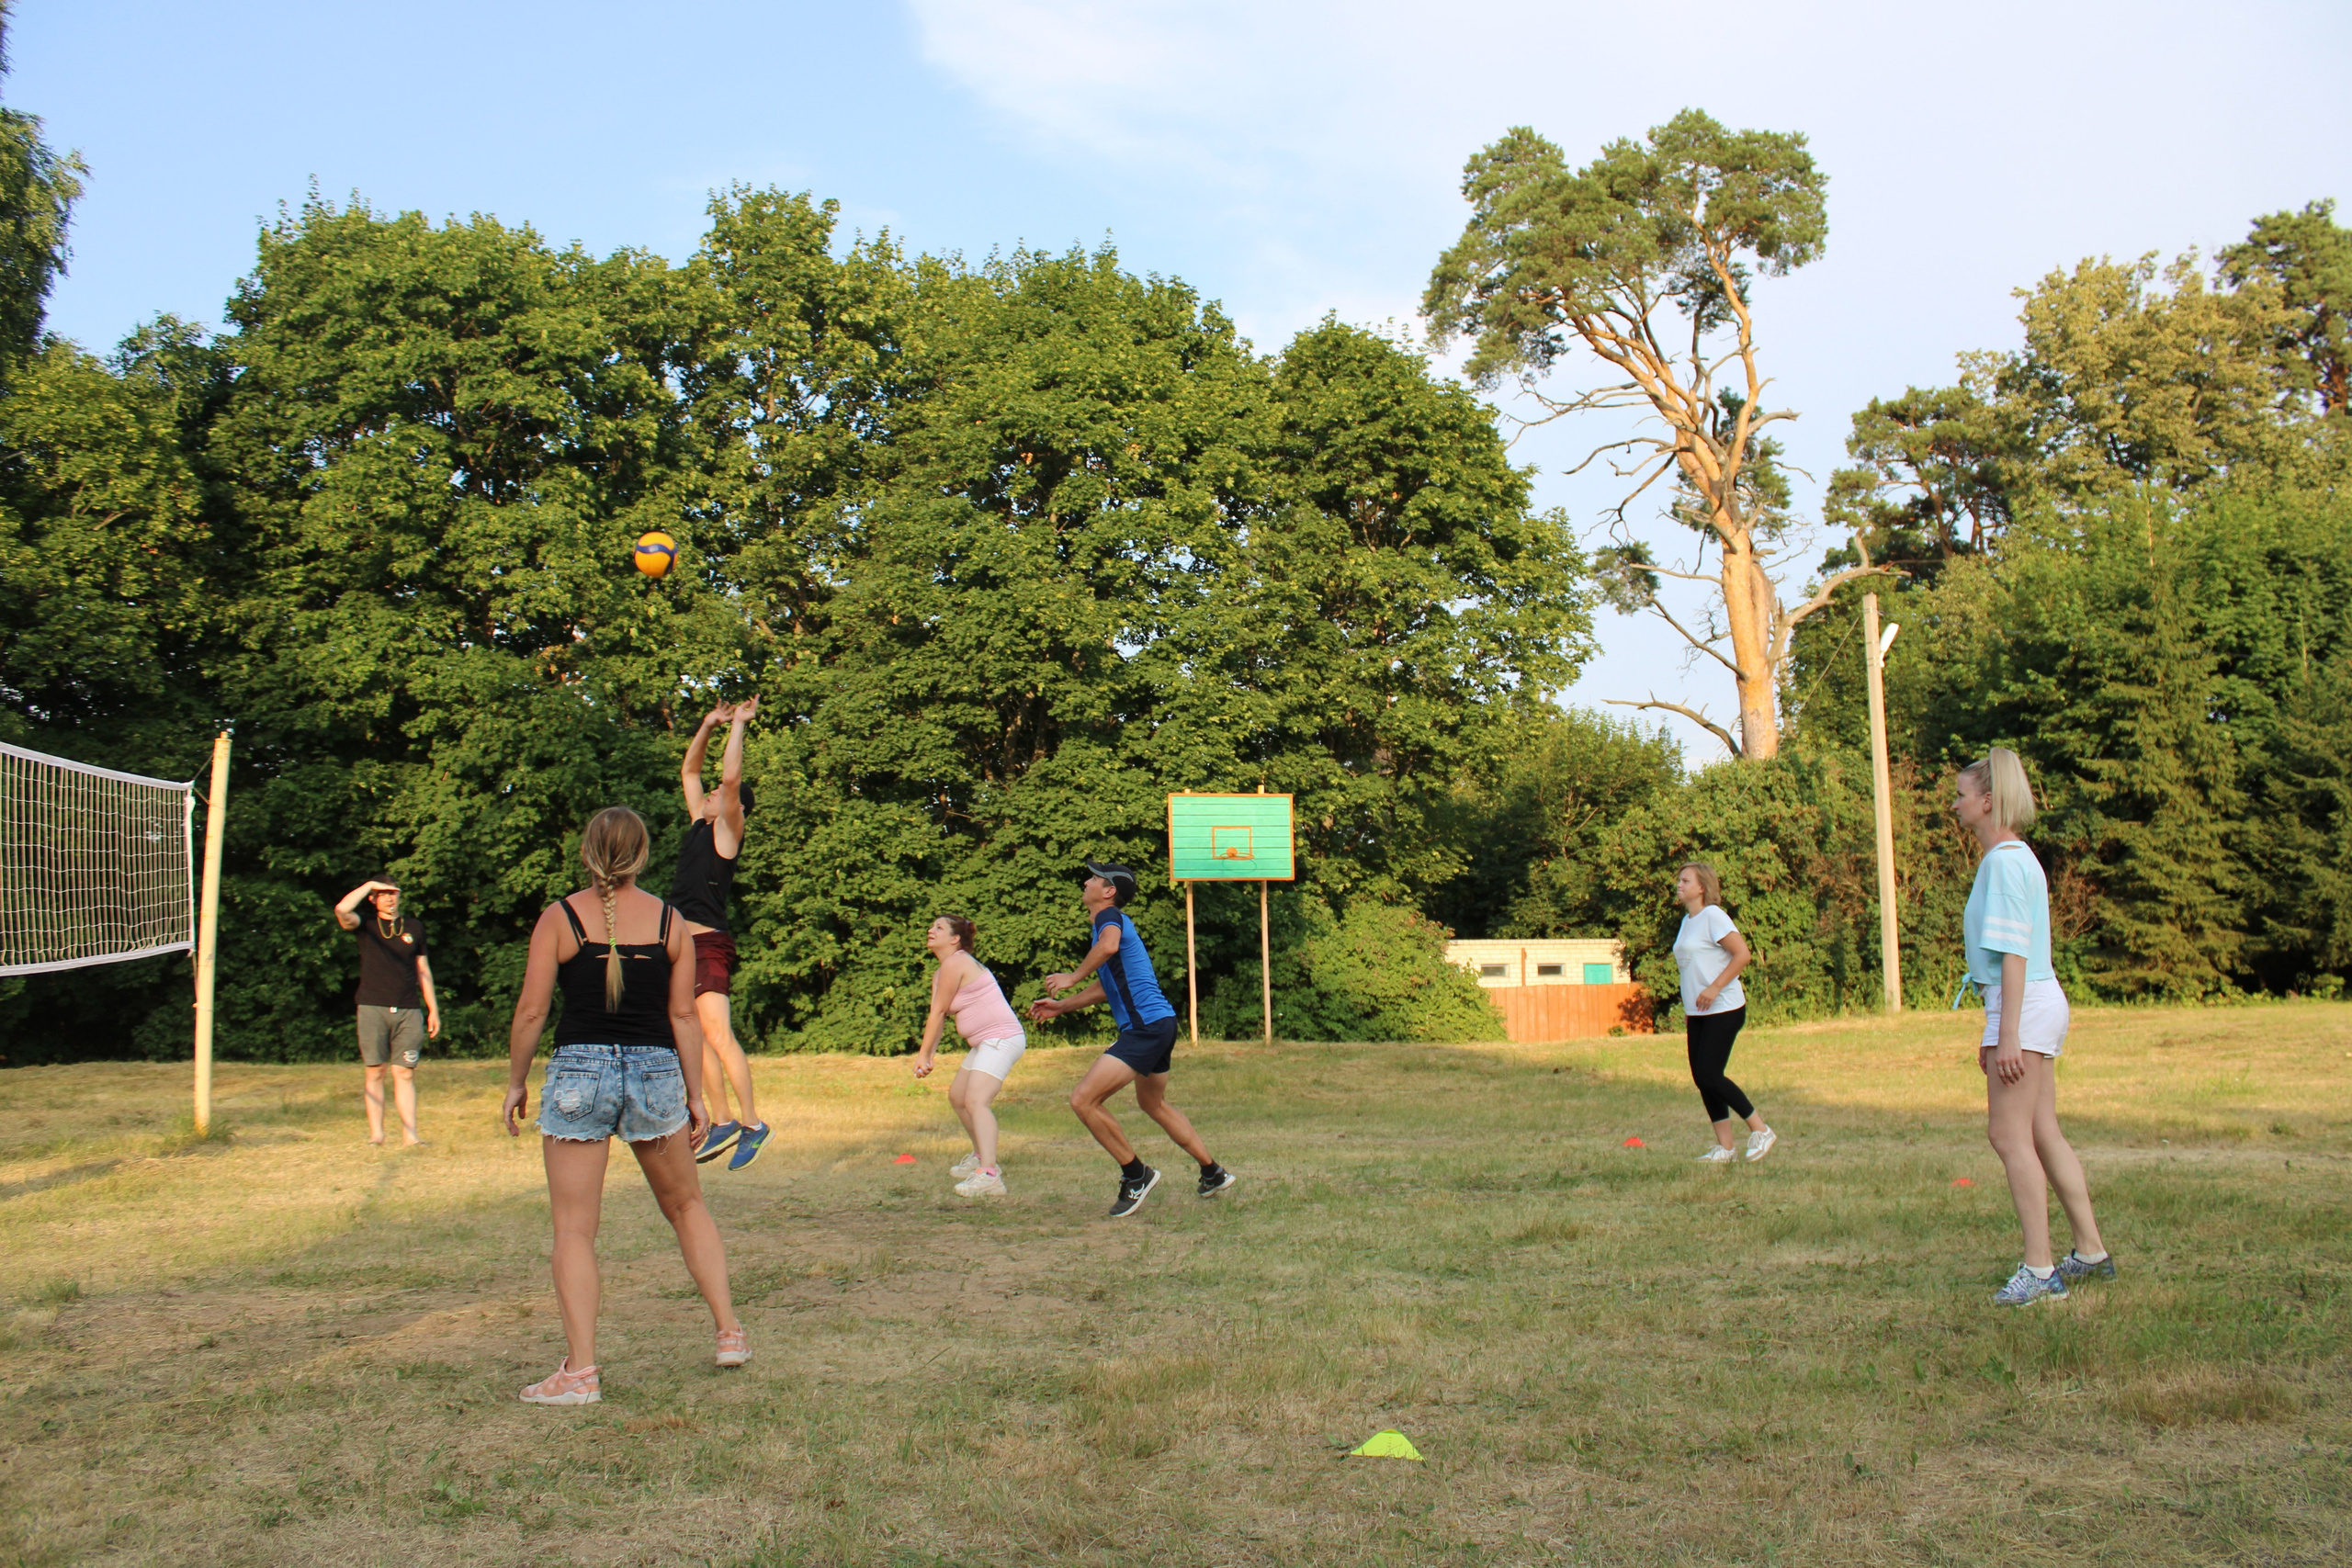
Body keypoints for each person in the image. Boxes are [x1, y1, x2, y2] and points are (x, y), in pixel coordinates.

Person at [500, 807, 747, 1405]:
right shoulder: (671, 921)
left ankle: (581, 1373)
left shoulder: (558, 918)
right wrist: (694, 1094)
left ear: (588, 852)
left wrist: (514, 1082)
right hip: (656, 1071)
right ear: (642, 855)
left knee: (575, 1230)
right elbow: (684, 1014)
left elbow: (532, 1012)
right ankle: (728, 1332)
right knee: (688, 1206)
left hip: (580, 1073)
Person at [1956, 749, 2111, 1307]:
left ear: (1988, 802)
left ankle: (2041, 1271)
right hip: (2037, 1001)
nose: (1956, 805)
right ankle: (2090, 1252)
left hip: (2024, 1002)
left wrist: (2008, 1033)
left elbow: (2013, 956)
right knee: (2042, 1130)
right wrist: (2000, 1029)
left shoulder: (2001, 861)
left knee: (2008, 1136)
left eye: (1962, 796)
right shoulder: (2019, 857)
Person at [1029, 861, 1235, 1218]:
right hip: (1159, 1023)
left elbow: (1107, 949)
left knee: (1083, 1100)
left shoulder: (1109, 920)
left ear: (1109, 892)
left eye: (1093, 878)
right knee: (1153, 1105)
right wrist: (1062, 1008)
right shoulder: (1107, 927)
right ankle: (1212, 1172)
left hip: (1145, 1028)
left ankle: (1136, 1174)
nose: (1086, 881)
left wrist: (1071, 977)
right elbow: (1107, 987)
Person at [674, 697, 769, 1173]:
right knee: (693, 1036)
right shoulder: (698, 825)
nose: (709, 793)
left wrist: (739, 726)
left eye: (718, 794)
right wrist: (709, 724)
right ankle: (723, 1120)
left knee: (716, 1031)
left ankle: (752, 1123)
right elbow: (690, 773)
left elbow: (729, 780)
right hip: (678, 947)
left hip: (708, 943)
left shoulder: (727, 832)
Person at [911, 915, 1027, 1197]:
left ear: (954, 939)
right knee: (958, 1097)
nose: (931, 930)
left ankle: (989, 1175)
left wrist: (924, 1054)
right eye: (932, 926)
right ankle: (980, 1156)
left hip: (1001, 1037)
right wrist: (929, 1055)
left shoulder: (957, 962)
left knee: (976, 1100)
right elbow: (937, 1016)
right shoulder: (941, 972)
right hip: (984, 1042)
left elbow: (938, 1013)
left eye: (939, 927)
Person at [1671, 862, 1774, 1163]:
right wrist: (1691, 1007)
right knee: (1702, 1079)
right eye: (1679, 880)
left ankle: (1761, 1130)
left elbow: (1742, 954)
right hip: (1698, 1013)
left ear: (1702, 887)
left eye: (1685, 880)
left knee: (1710, 1074)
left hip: (1724, 1008)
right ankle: (1726, 1149)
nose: (1679, 885)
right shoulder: (1688, 921)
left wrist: (1715, 988)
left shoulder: (1713, 916)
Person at [332, 874, 440, 1146]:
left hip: (407, 1008)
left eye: (394, 893)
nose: (390, 898)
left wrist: (433, 1009)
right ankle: (377, 1136)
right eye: (383, 894)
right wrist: (369, 885)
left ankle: (410, 1136)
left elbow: (423, 970)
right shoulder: (366, 925)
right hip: (372, 1006)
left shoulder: (414, 927)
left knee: (404, 1072)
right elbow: (342, 910)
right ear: (373, 898)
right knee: (375, 1070)